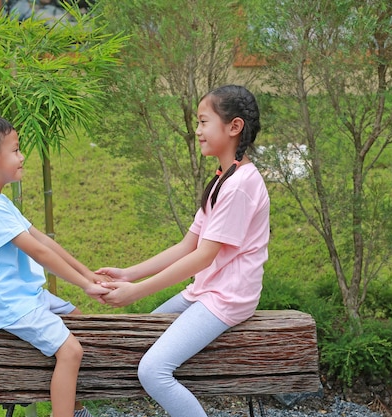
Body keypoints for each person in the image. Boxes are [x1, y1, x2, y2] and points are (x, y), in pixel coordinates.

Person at [97, 85, 270, 417]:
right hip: (206, 290)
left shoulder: (240, 186)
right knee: (145, 333)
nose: (198, 131)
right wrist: (128, 274)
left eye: (204, 122)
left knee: (152, 370)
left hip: (227, 297)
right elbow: (186, 245)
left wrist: (135, 293)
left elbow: (202, 256)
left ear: (234, 127)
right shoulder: (223, 178)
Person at [0, 112, 108, 417]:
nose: (22, 157)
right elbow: (39, 253)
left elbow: (44, 241)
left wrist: (90, 275)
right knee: (71, 351)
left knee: (78, 319)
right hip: (6, 301)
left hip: (20, 293)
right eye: (16, 150)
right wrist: (84, 284)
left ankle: (75, 407)